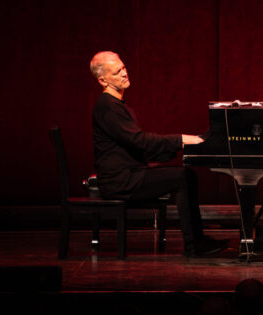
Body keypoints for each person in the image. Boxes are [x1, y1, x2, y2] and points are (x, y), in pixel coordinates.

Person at [90, 51, 228, 257]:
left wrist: (175, 147)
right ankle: (194, 245)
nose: (125, 73)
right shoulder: (108, 107)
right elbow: (140, 141)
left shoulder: (116, 105)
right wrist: (181, 140)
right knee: (183, 177)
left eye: (124, 67)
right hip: (121, 182)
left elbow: (135, 145)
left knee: (184, 176)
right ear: (102, 80)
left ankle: (197, 241)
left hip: (129, 175)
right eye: (117, 72)